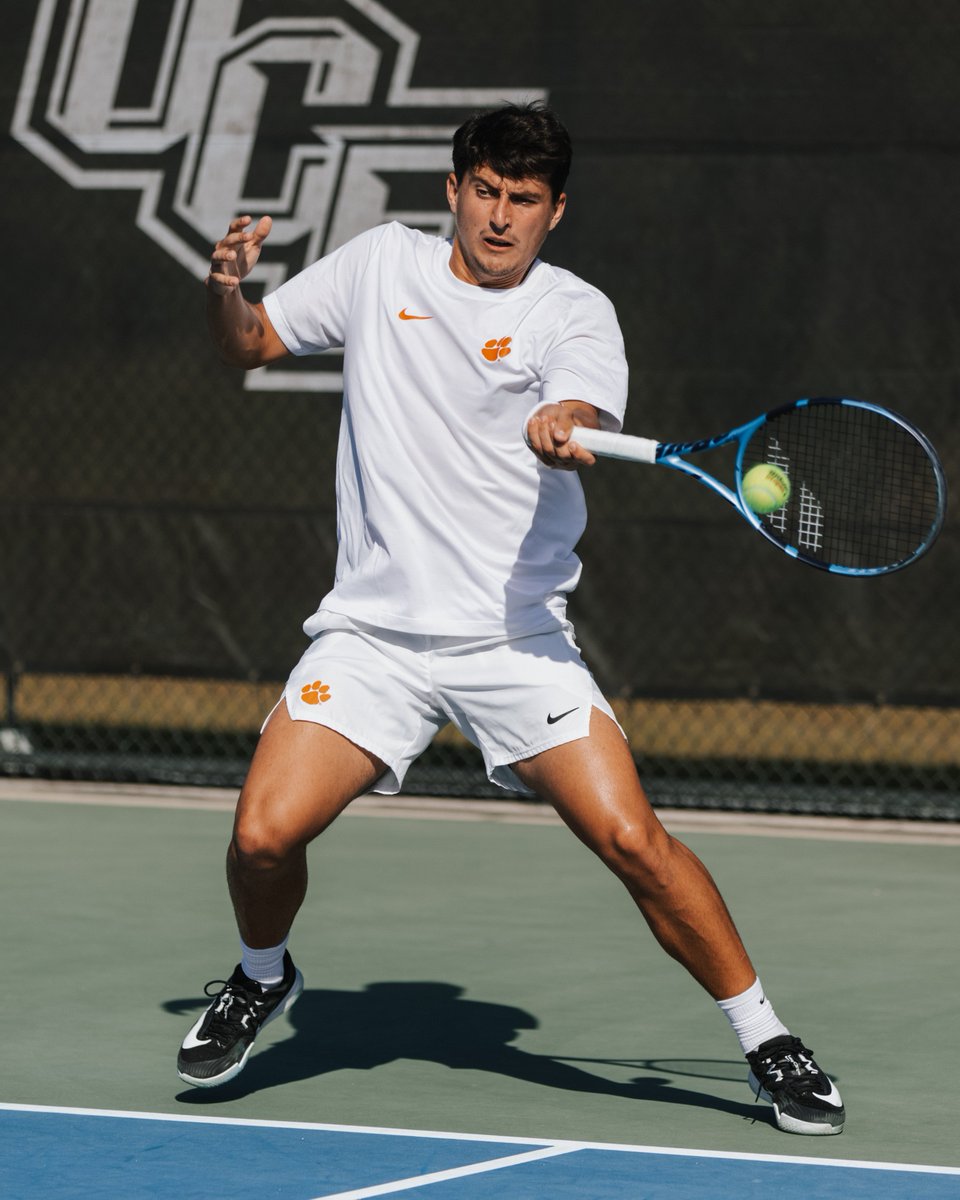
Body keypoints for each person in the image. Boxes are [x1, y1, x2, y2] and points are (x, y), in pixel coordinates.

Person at [177, 103, 844, 1137]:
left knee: (634, 841)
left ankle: (768, 1039)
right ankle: (262, 977)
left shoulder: (575, 313)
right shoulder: (380, 265)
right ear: (453, 191)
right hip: (374, 639)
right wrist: (226, 290)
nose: (499, 217)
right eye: (484, 192)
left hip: (514, 642)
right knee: (262, 837)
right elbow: (252, 343)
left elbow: (583, 407)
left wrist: (564, 420)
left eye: (523, 200)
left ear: (555, 210)